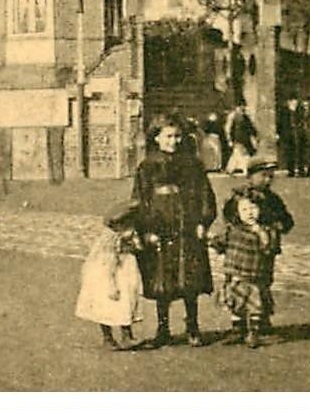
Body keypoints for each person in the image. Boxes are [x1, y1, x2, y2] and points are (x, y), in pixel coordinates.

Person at [131, 116, 216, 348]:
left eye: (177, 136)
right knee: (162, 280)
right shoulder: (147, 166)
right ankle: (163, 328)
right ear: (156, 138)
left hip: (187, 226)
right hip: (161, 228)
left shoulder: (193, 164)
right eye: (168, 136)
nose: (174, 141)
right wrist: (146, 229)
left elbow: (205, 194)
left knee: (190, 278)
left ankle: (193, 327)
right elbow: (140, 200)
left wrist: (203, 221)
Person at [220, 159, 293, 329]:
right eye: (263, 176)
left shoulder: (273, 200)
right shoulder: (239, 196)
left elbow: (286, 220)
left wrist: (276, 227)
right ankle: (238, 322)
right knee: (237, 285)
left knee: (262, 284)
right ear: (250, 177)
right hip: (241, 249)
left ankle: (261, 318)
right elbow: (229, 215)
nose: (267, 180)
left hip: (263, 250)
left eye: (270, 177)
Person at [211, 192, 280, 348]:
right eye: (244, 209)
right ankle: (237, 330)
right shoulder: (232, 229)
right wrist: (213, 242)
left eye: (253, 208)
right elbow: (220, 243)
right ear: (236, 212)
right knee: (236, 304)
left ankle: (254, 332)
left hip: (255, 276)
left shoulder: (267, 230)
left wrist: (262, 234)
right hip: (235, 275)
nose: (249, 213)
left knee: (254, 305)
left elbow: (270, 248)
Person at [74, 201, 144, 351]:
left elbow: (138, 247)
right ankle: (108, 338)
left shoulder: (127, 237)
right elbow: (109, 263)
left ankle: (127, 336)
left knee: (127, 302)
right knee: (107, 304)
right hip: (108, 274)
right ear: (118, 226)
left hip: (124, 271)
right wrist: (111, 284)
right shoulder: (110, 241)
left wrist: (135, 243)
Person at [276, 95, 307, 178]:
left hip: (298, 133)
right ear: (288, 102)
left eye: (295, 101)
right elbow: (279, 123)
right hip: (288, 134)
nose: (294, 103)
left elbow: (303, 121)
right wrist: (278, 133)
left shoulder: (300, 111)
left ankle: (301, 170)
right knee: (289, 153)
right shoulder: (284, 111)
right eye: (293, 101)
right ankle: (291, 170)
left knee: (300, 152)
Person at [225, 105, 258, 176]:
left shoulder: (240, 117)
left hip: (241, 139)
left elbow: (250, 127)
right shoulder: (237, 117)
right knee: (241, 154)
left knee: (238, 154)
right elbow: (230, 129)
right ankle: (243, 169)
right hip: (240, 139)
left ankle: (231, 168)